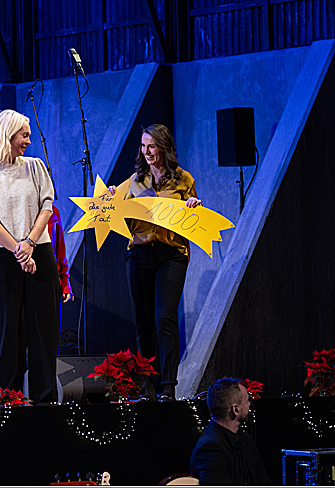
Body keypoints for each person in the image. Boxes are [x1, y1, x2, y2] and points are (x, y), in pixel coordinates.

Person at [0, 109, 58, 405]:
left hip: (39, 253)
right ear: (9, 136)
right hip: (3, 259)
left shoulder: (35, 167)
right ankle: (10, 402)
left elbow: (47, 205)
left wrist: (29, 243)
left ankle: (45, 402)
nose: (28, 142)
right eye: (24, 136)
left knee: (43, 333)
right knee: (9, 336)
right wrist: (19, 251)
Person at [113, 124, 200, 402]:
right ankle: (146, 386)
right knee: (143, 322)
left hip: (171, 254)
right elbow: (117, 215)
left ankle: (168, 386)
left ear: (163, 147)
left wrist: (194, 205)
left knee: (165, 318)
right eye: (143, 146)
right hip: (139, 253)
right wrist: (112, 199)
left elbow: (194, 218)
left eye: (151, 146)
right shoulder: (134, 181)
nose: (146, 152)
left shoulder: (183, 179)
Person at [189, 377, 270, 485]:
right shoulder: (210, 449)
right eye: (247, 400)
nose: (249, 404)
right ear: (235, 409)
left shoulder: (246, 440)